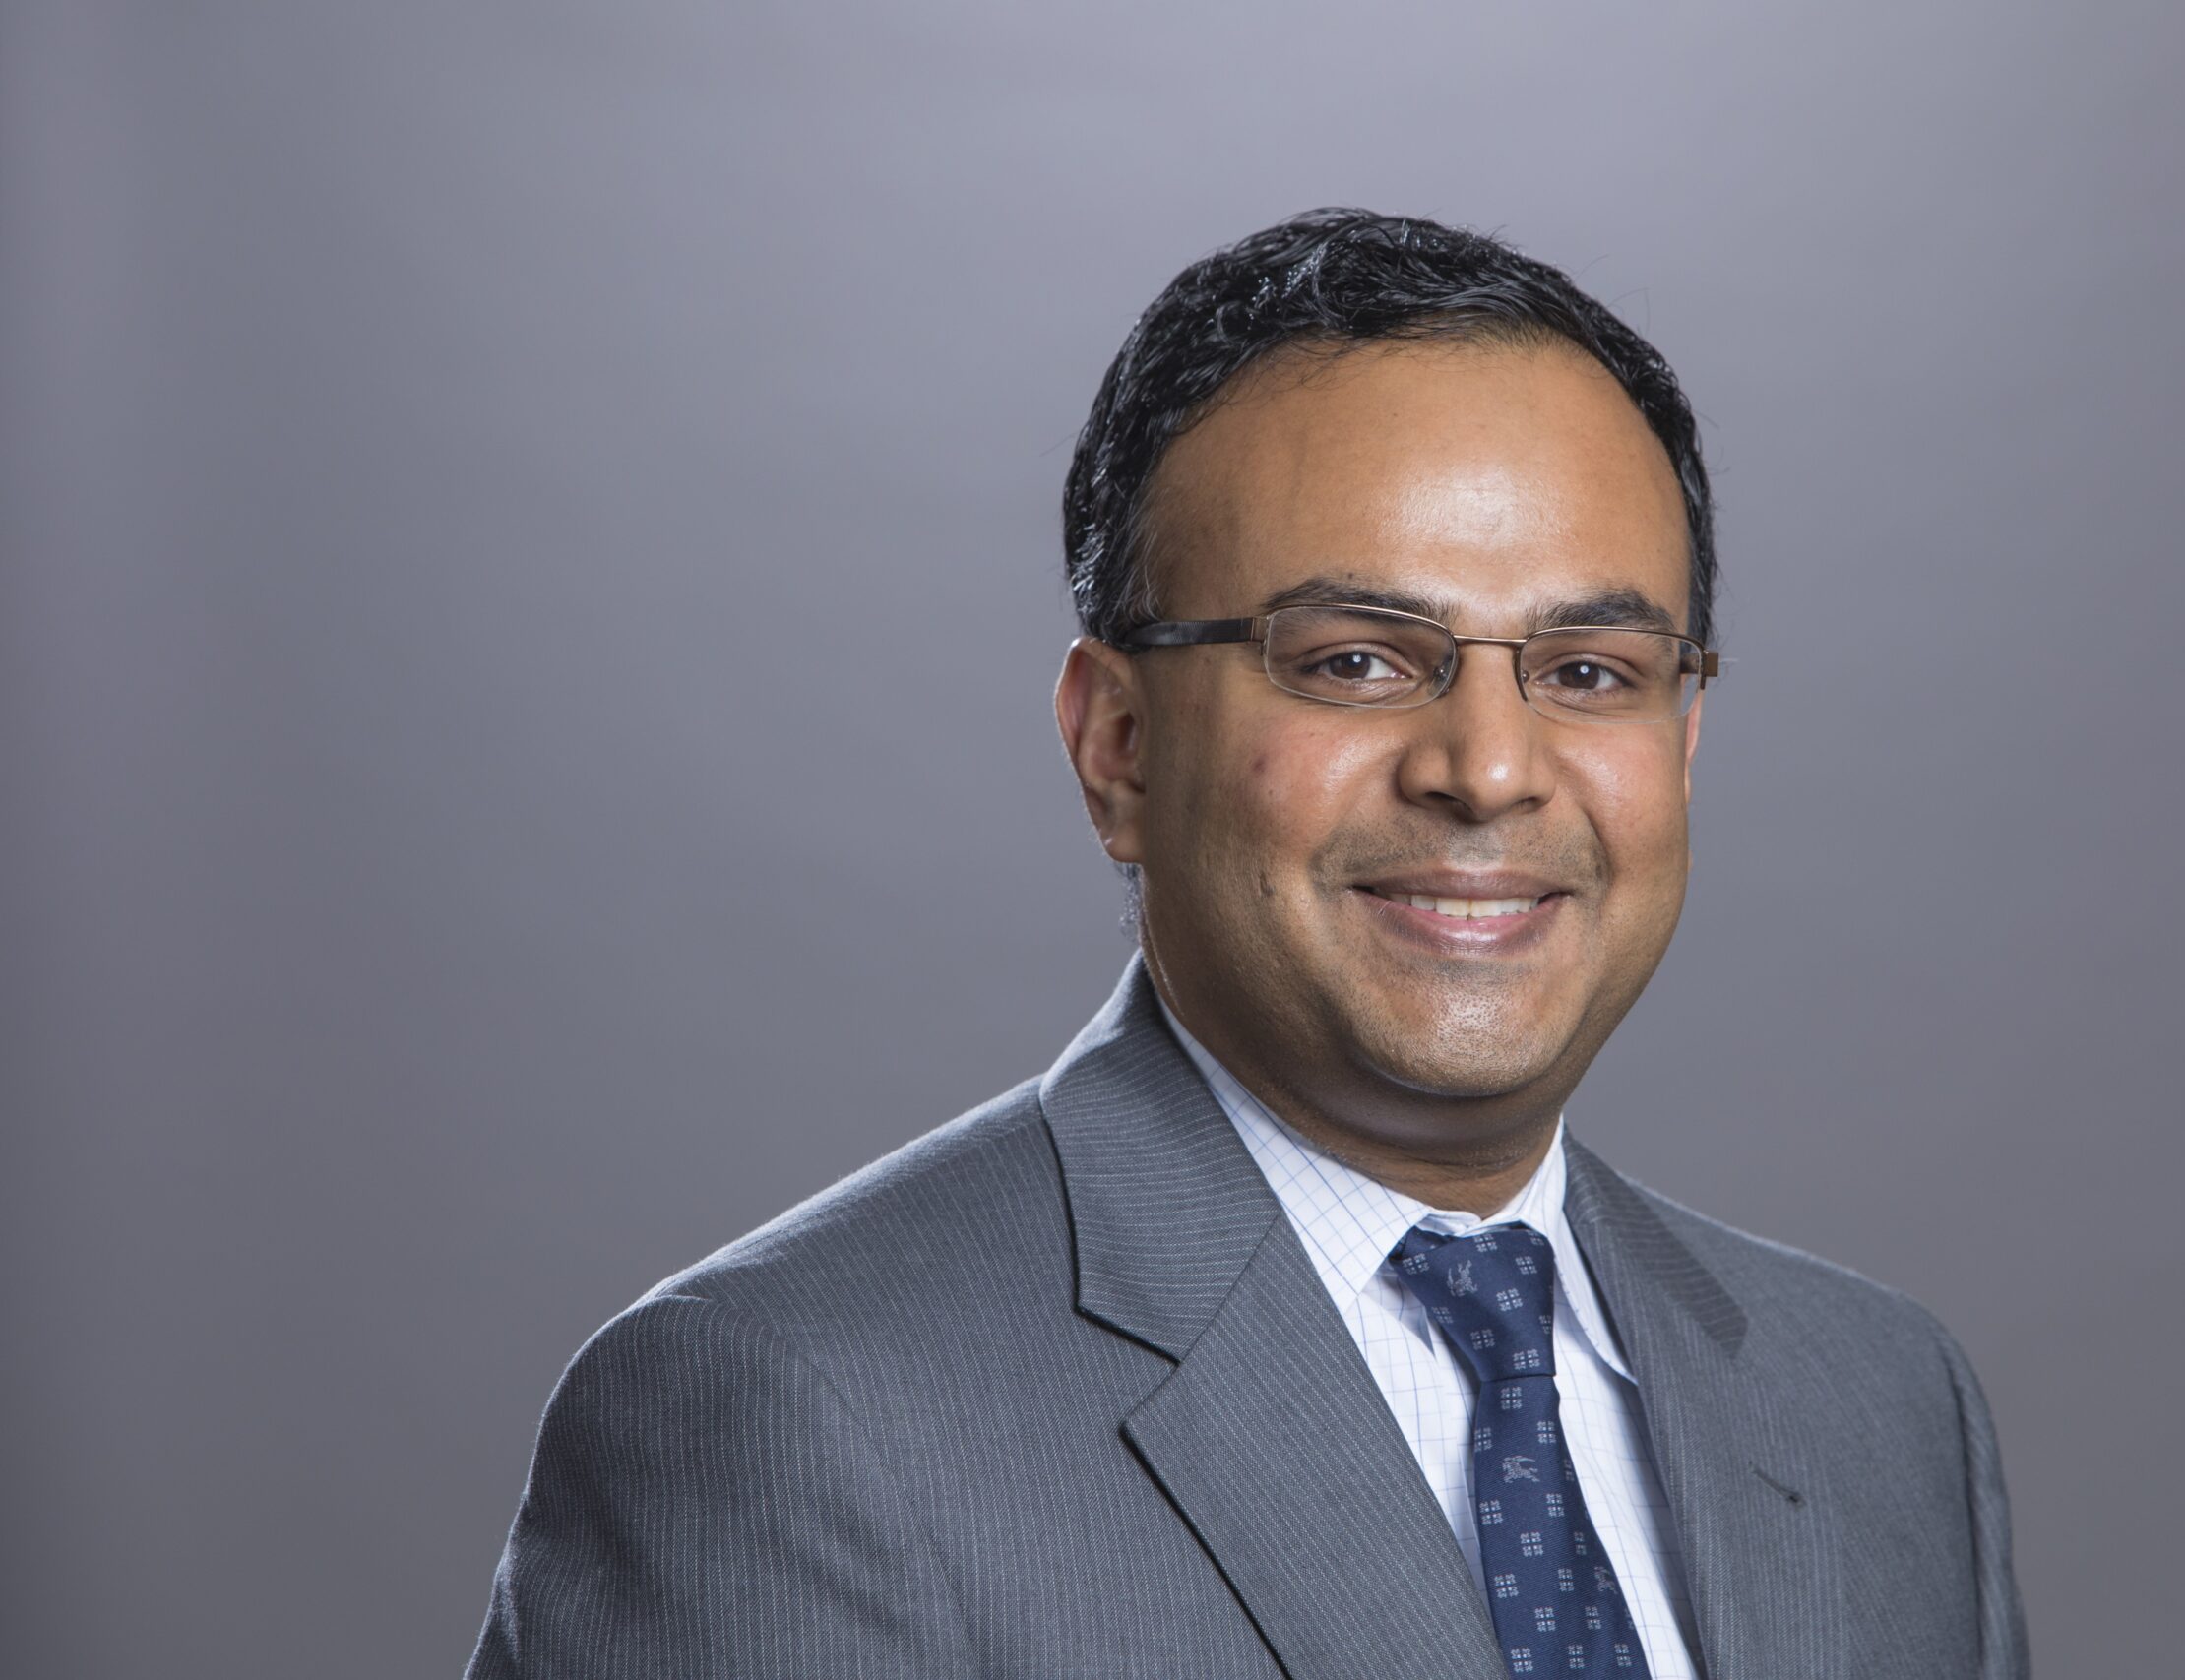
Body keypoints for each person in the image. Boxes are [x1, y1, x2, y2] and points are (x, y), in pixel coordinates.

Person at [466, 208, 2030, 1680]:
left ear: (1685, 744)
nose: (1488, 770)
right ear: (1119, 747)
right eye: (1356, 660)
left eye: (1590, 670)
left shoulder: (1880, 1403)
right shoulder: (791, 1416)